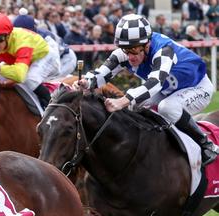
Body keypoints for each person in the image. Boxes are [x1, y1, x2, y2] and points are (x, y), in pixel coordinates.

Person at [76, 14, 219, 166]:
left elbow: (154, 83)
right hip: (168, 89)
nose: (130, 56)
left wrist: (123, 100)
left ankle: (206, 145)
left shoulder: (164, 50)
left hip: (197, 87)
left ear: (147, 44)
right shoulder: (124, 54)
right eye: (125, 49)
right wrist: (86, 82)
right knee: (135, 105)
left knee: (167, 107)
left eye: (134, 49)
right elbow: (101, 73)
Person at [0, 12, 61, 109]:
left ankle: (53, 106)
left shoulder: (23, 43)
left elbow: (19, 75)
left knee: (30, 80)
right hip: (17, 56)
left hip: (45, 55)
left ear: (8, 35)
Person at [12, 10, 77, 78]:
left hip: (66, 59)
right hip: (60, 57)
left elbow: (52, 59)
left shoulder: (43, 36)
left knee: (47, 80)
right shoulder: (32, 34)